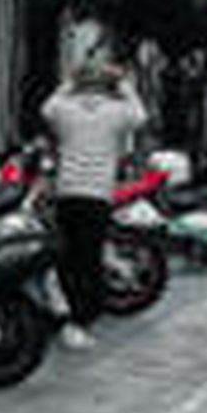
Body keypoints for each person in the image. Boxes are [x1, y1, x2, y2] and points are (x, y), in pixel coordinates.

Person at [40, 55, 146, 349]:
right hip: (98, 194)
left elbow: (46, 108)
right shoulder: (115, 112)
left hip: (68, 191)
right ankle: (80, 319)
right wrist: (123, 83)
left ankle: (66, 315)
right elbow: (140, 116)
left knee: (67, 257)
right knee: (89, 258)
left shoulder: (66, 109)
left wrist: (70, 80)